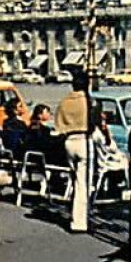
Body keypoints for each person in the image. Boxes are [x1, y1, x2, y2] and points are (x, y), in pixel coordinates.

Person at [55, 71, 89, 232]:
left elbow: (58, 125)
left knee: (74, 179)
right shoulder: (88, 101)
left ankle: (74, 212)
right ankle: (79, 221)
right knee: (82, 183)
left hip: (69, 141)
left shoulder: (64, 102)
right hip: (83, 140)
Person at [91, 109, 128, 200]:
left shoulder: (97, 133)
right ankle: (117, 188)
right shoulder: (99, 135)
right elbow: (111, 148)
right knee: (125, 162)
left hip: (103, 159)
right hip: (106, 160)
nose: (104, 124)